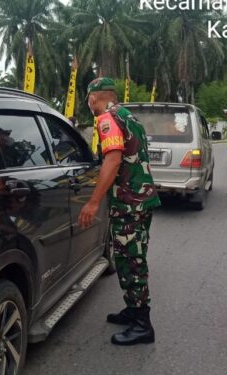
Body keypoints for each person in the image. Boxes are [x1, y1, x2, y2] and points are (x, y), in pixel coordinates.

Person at [77, 77, 161, 346]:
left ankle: (142, 325)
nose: (89, 104)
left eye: (88, 100)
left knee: (130, 262)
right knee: (133, 257)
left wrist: (92, 202)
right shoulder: (129, 117)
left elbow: (112, 160)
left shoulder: (105, 119)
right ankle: (133, 310)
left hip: (127, 204)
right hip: (141, 200)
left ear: (93, 98)